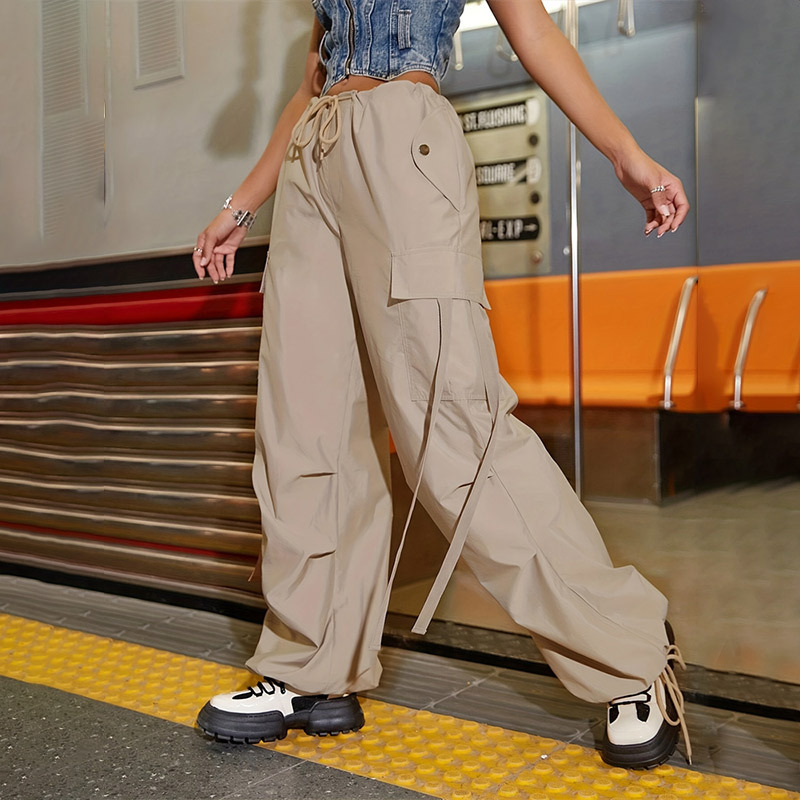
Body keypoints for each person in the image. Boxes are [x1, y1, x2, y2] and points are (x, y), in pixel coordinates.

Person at [192, 0, 691, 770]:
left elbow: (533, 30)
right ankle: (310, 665)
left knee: (454, 426)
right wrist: (242, 204)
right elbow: (313, 80)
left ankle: (629, 651)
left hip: (404, 145)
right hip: (311, 161)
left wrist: (625, 154)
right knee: (305, 429)